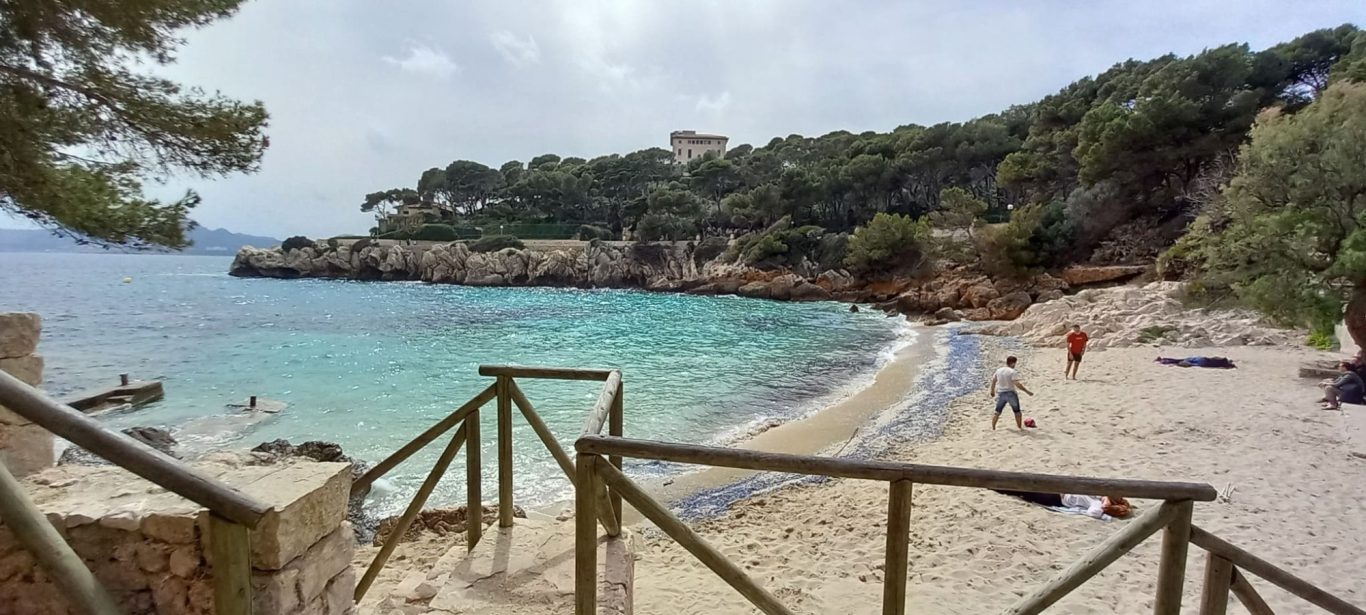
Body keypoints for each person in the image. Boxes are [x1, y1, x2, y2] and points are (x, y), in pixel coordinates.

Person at [994, 490, 1132, 520]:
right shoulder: (1100, 495)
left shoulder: (1097, 504)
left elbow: (1093, 513)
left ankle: (996, 487)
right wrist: (1105, 498)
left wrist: (1105, 507)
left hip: (1057, 498)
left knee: (1025, 492)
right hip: (1061, 490)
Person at [989, 356, 1034, 430]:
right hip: (1011, 393)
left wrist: (992, 391)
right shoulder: (1012, 372)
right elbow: (1017, 384)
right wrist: (1027, 391)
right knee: (1017, 411)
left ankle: (993, 428)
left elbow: (994, 381)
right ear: (1013, 363)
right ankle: (1019, 428)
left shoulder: (999, 370)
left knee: (997, 411)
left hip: (1001, 393)